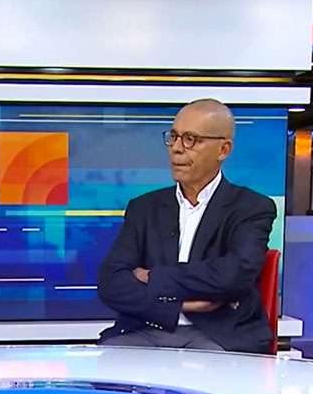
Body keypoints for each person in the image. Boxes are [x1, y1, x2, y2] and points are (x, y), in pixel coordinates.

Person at [96, 99, 277, 353]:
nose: (177, 149)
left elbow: (234, 275)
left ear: (223, 149)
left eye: (191, 139)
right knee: (106, 368)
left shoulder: (251, 207)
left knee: (211, 371)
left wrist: (153, 277)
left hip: (220, 335)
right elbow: (111, 283)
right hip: (146, 328)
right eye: (174, 137)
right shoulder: (143, 208)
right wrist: (177, 306)